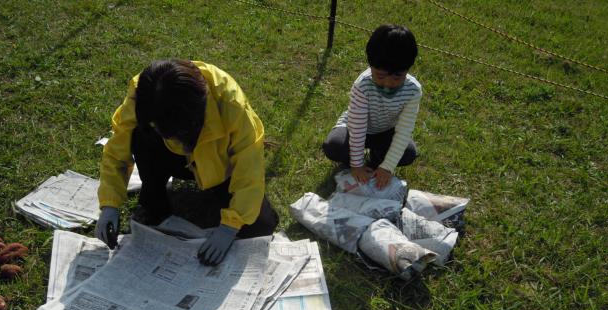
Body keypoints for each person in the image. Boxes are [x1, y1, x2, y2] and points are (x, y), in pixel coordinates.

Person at [95, 59, 278, 265]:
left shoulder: (229, 102)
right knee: (139, 135)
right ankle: (154, 203)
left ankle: (219, 199)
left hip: (220, 167)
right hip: (170, 158)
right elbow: (117, 150)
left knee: (260, 226)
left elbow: (249, 168)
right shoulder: (143, 94)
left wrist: (230, 226)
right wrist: (109, 205)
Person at [322, 24, 421, 189]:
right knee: (334, 146)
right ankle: (355, 160)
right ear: (370, 65)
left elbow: (404, 130)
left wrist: (387, 167)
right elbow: (357, 127)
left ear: (407, 69)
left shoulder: (413, 90)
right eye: (380, 76)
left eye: (397, 78)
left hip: (386, 130)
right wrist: (356, 164)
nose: (388, 84)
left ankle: (378, 159)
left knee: (408, 153)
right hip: (354, 128)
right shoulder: (363, 85)